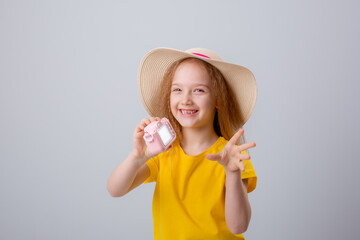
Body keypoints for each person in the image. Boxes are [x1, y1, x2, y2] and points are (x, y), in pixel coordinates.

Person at [107, 47, 258, 240]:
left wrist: (233, 172)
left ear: (218, 99)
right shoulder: (163, 152)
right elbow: (115, 189)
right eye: (177, 89)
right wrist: (137, 157)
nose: (185, 100)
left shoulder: (233, 157)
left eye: (198, 90)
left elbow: (238, 226)